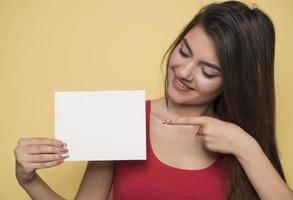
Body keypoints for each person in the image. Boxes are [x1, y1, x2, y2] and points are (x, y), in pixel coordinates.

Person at [14, 1, 293, 199]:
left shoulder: (239, 139)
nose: (184, 73)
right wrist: (29, 181)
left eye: (208, 71)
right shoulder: (120, 118)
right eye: (184, 51)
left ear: (234, 82)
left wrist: (245, 146)